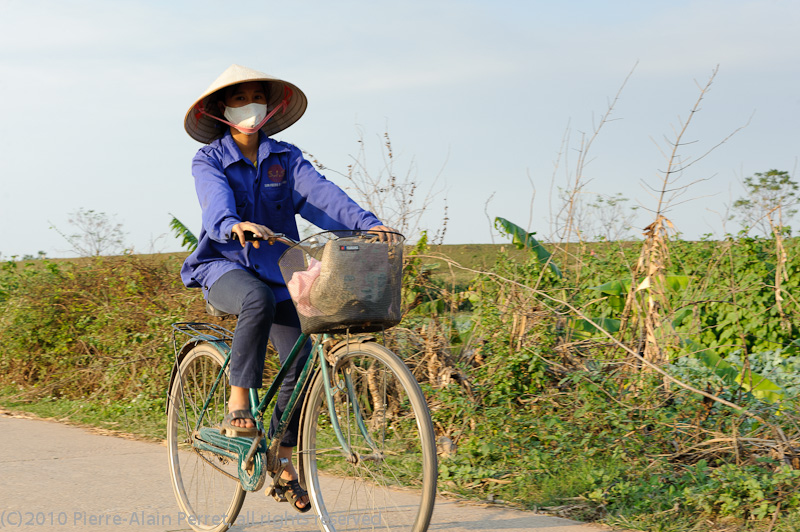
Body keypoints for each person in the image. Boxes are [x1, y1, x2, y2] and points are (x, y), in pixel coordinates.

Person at [181, 64, 395, 513]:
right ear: (223, 109)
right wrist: (233, 223)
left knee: (308, 345)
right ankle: (239, 400)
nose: (249, 106)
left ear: (270, 105)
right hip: (225, 260)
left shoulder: (285, 157)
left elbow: (321, 195)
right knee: (255, 298)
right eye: (240, 99)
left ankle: (280, 450)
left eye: (257, 96)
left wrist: (369, 224)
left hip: (285, 257)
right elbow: (214, 205)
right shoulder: (210, 159)